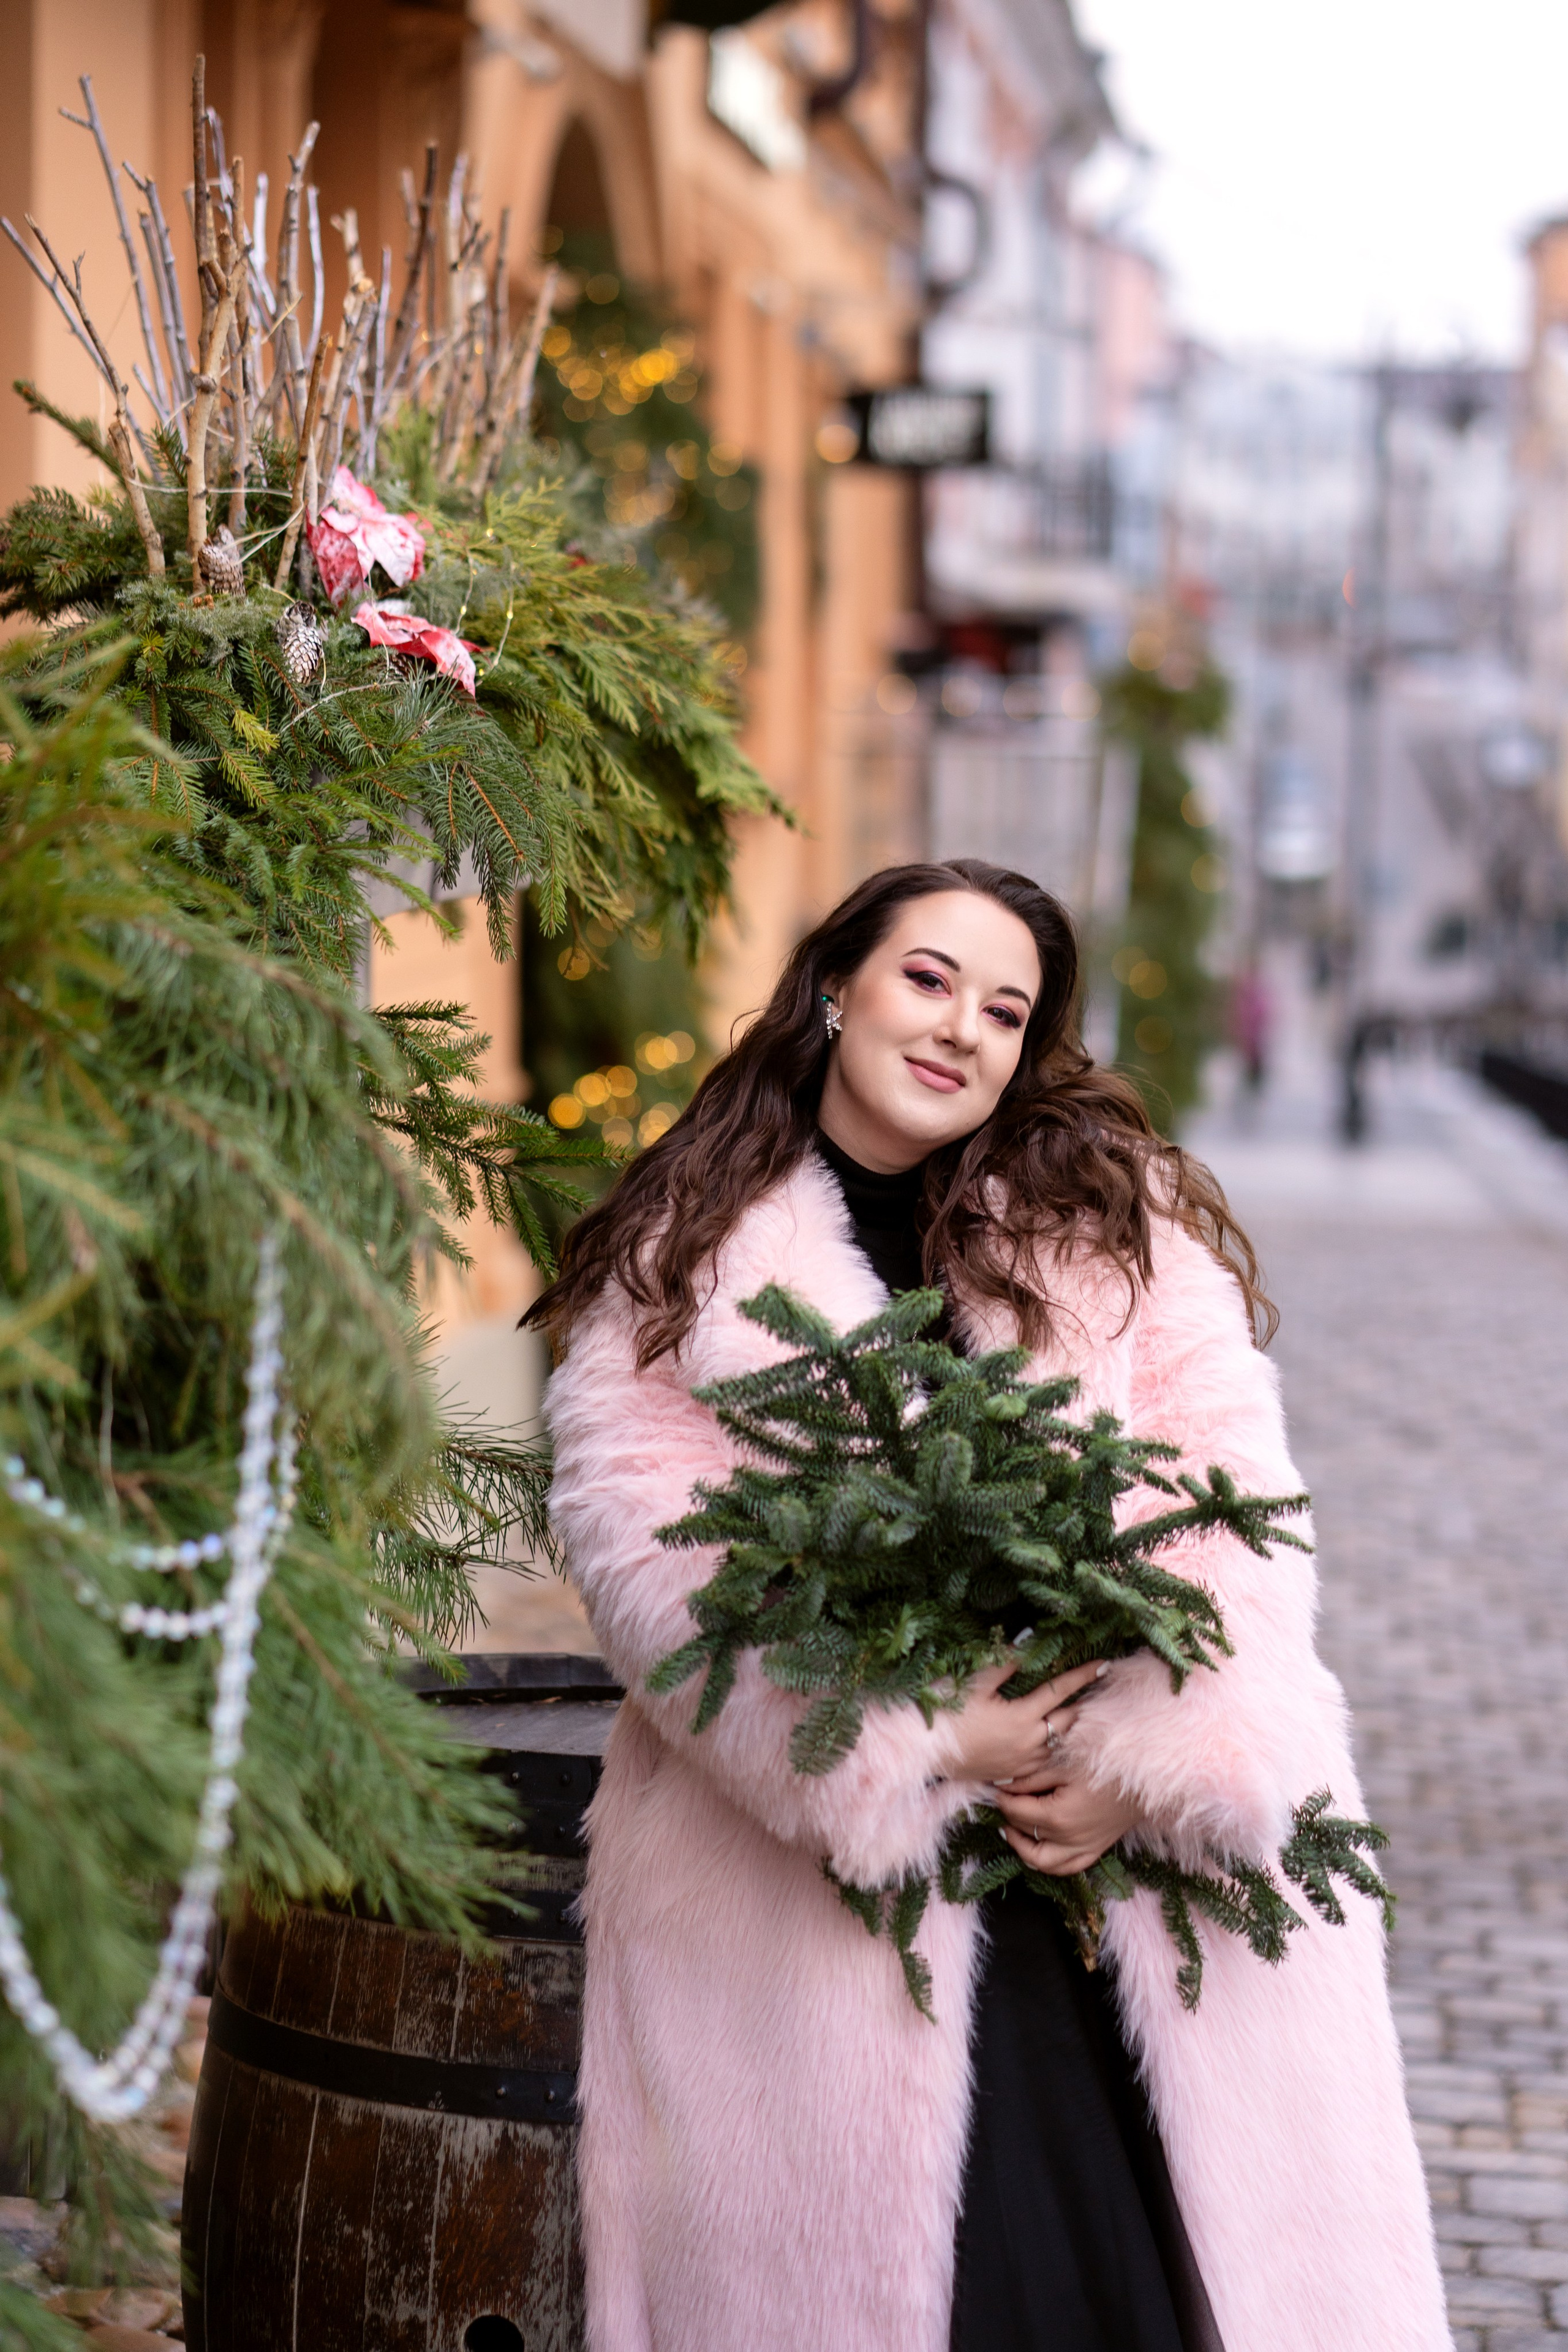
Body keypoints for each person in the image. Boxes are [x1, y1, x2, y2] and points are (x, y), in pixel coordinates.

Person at [534, 859, 1446, 2352]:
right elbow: (645, 1566)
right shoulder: (683, 1255)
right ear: (837, 986)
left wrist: (1128, 1771)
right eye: (927, 979)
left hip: (1118, 1858)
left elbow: (1234, 1514)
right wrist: (919, 1734)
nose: (960, 1028)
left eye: (1004, 1008)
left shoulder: (1101, 1231)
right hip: (824, 1884)